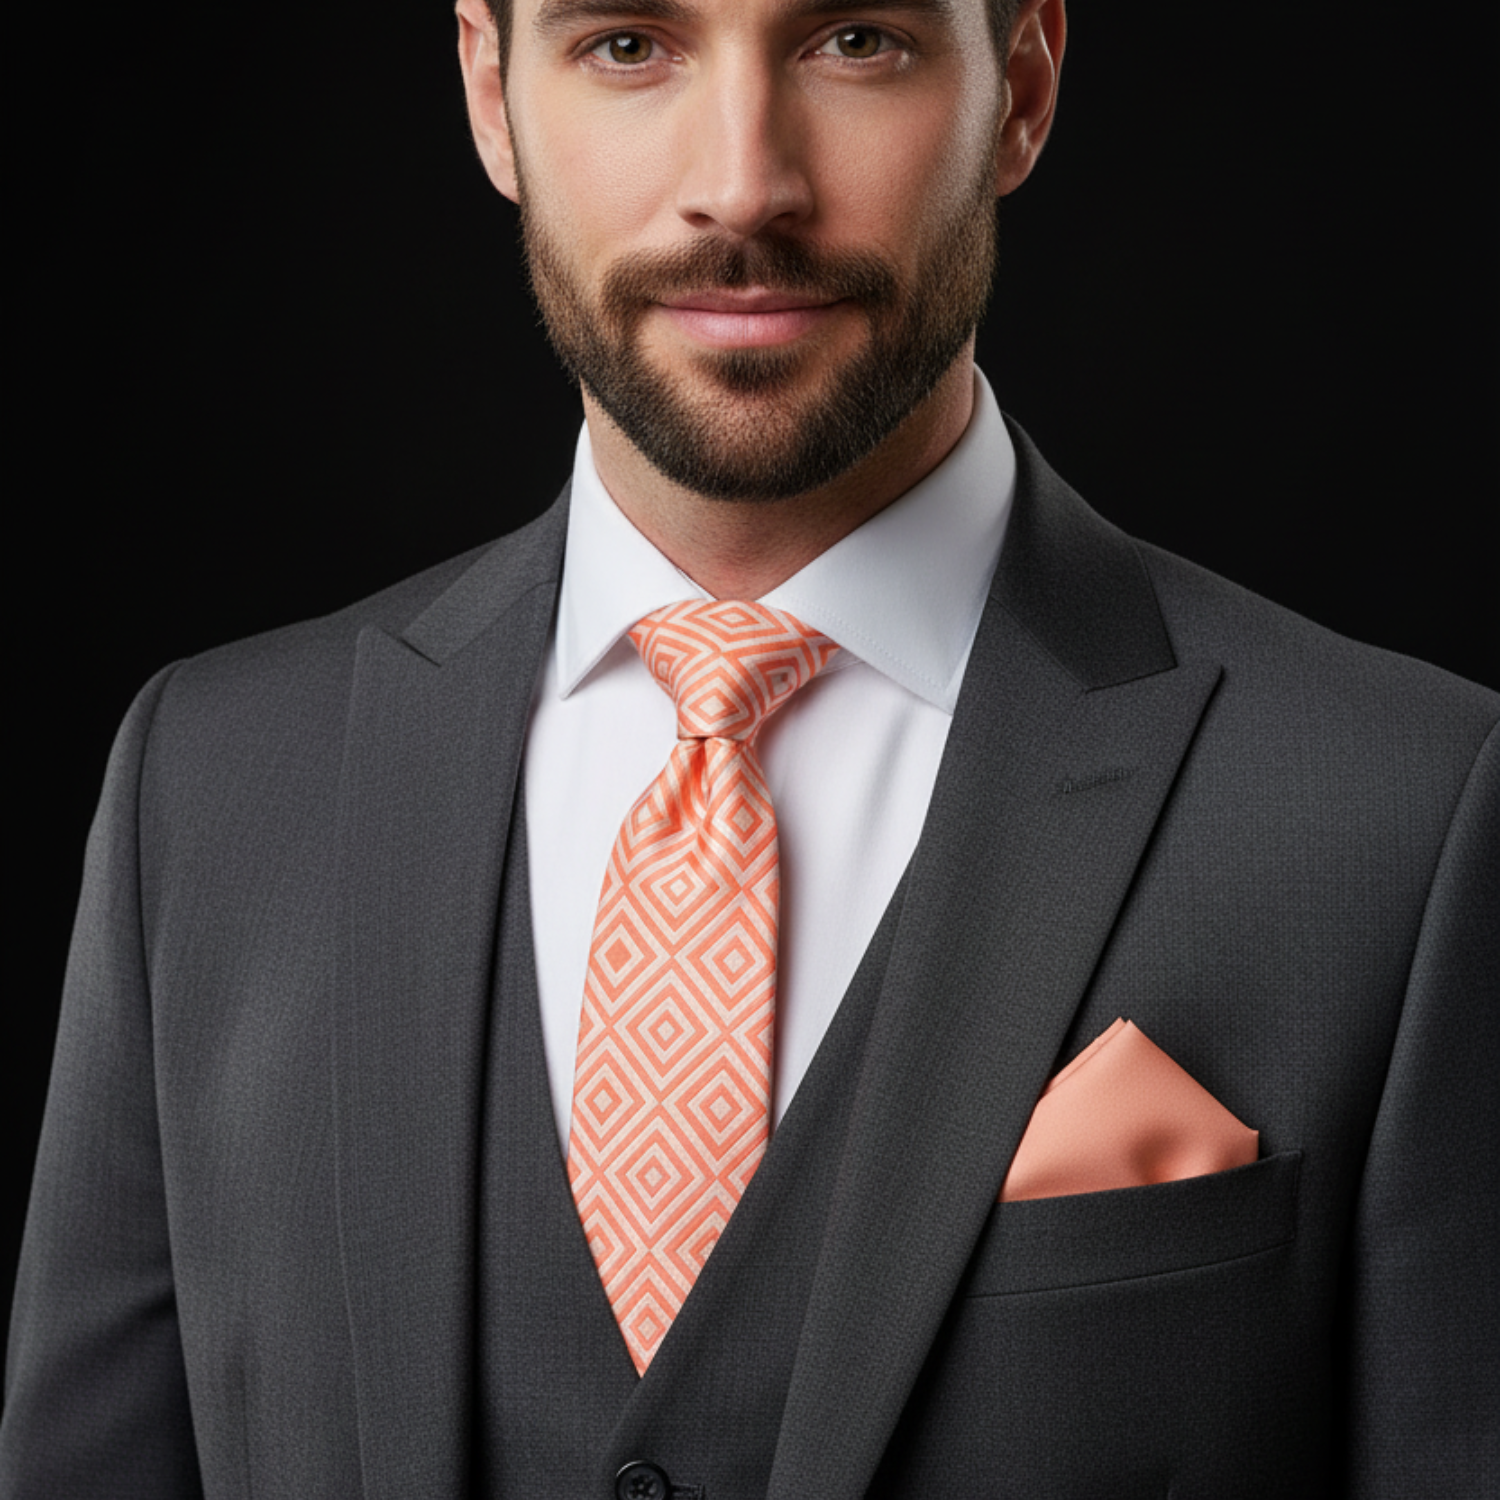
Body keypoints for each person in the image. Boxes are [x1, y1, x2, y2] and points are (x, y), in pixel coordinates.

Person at [3, 0, 1495, 1494]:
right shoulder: (205, 789)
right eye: (630, 45)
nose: (745, 186)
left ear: (1023, 86)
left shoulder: (1410, 815)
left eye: (855, 41)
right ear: (489, 92)